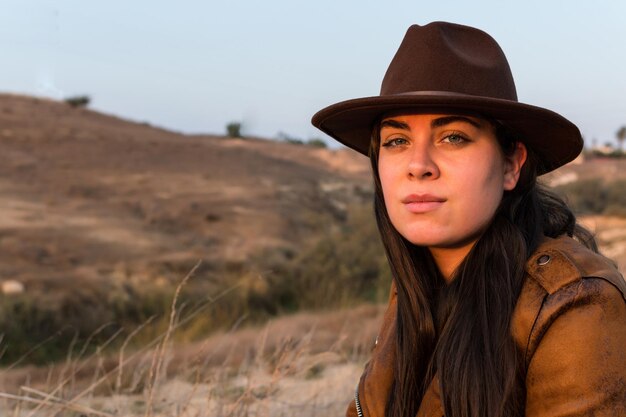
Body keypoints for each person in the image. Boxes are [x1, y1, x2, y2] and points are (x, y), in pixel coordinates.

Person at [311, 22, 626, 417]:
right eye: (397, 141)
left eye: (453, 137)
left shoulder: (574, 303)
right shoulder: (414, 282)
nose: (419, 165)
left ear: (511, 164)